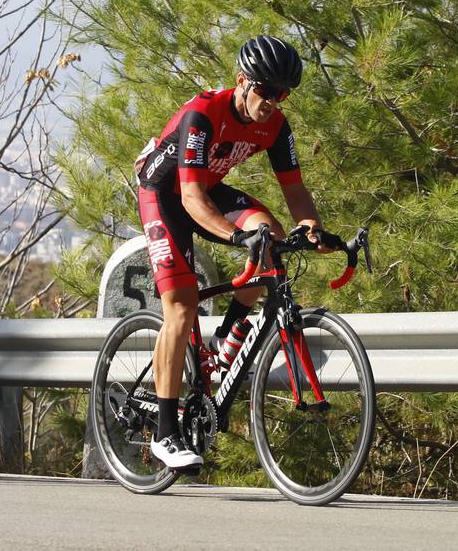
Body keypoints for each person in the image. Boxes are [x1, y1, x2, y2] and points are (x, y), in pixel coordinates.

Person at [134, 35, 334, 469]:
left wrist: (314, 230)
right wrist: (234, 236)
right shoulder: (202, 116)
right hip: (165, 195)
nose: (272, 102)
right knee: (182, 307)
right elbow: (189, 199)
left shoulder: (275, 126)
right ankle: (166, 434)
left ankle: (228, 334)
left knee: (271, 235)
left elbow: (295, 192)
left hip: (207, 189)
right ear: (242, 81)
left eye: (282, 95)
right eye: (265, 90)